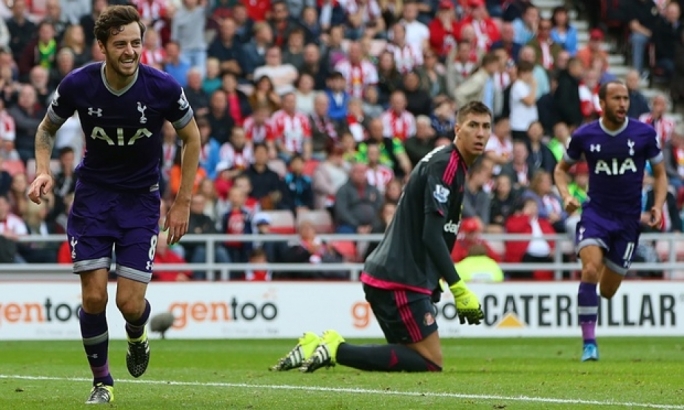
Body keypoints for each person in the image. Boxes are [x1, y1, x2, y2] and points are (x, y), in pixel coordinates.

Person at [27, 5, 200, 404]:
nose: (130, 51)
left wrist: (183, 201)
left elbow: (192, 138)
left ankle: (137, 335)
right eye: (120, 44)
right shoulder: (78, 84)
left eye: (136, 43)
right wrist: (42, 170)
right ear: (102, 47)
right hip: (93, 198)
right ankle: (102, 381)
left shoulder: (163, 89)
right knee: (93, 298)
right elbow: (45, 130)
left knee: (129, 303)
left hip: (141, 201)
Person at [271, 101, 491, 373]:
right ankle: (335, 348)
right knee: (430, 361)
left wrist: (434, 282)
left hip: (399, 274)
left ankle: (314, 344)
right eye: (473, 125)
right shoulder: (445, 165)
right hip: (400, 277)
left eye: (486, 126)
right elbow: (431, 234)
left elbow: (434, 230)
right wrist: (458, 287)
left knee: (409, 358)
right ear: (458, 129)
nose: (480, 133)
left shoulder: (447, 164)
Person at [554, 81, 667, 362]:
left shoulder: (644, 134)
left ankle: (595, 288)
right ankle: (589, 344)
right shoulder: (585, 135)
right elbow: (560, 170)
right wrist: (567, 195)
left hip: (628, 221)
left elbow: (662, 174)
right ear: (601, 103)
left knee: (607, 289)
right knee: (590, 269)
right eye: (616, 98)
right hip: (596, 214)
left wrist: (658, 205)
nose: (623, 104)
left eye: (626, 98)